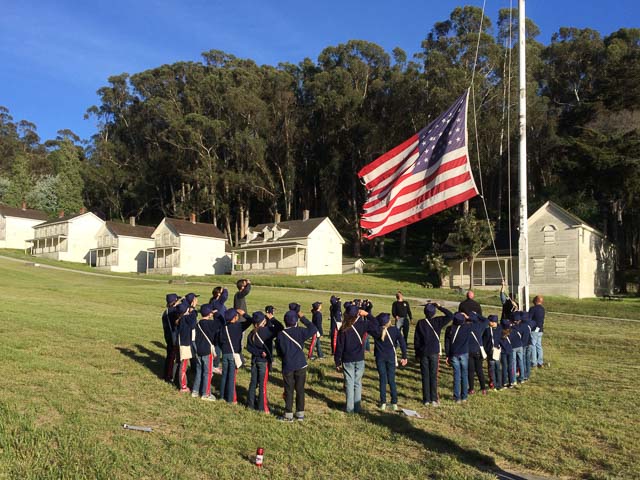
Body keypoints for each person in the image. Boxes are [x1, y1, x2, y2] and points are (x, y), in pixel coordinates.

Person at [276, 307, 317, 421]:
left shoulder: (281, 334)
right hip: (301, 364)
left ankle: (288, 414)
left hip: (288, 364)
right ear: (296, 321)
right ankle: (300, 414)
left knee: (288, 390)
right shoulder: (301, 331)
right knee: (300, 390)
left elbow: (279, 351)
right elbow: (313, 328)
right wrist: (303, 317)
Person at [334, 305, 373, 413]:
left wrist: (337, 361)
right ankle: (357, 406)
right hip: (359, 358)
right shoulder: (363, 325)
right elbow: (376, 324)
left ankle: (349, 408)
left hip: (347, 359)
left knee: (349, 383)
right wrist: (368, 315)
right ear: (357, 314)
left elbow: (339, 347)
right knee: (358, 382)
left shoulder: (343, 328)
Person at [413, 302, 453, 406]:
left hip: (423, 351)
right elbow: (450, 315)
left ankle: (426, 399)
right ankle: (434, 399)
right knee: (433, 376)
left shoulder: (420, 323)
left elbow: (416, 340)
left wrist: (417, 353)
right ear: (434, 312)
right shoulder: (438, 321)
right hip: (434, 351)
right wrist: (440, 306)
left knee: (425, 375)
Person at [246, 311, 283, 413]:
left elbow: (249, 348)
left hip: (254, 360)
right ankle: (262, 407)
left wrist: (258, 352)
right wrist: (272, 319)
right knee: (263, 385)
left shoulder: (251, 333)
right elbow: (280, 328)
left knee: (253, 383)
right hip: (263, 361)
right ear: (263, 321)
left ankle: (250, 404)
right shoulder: (266, 331)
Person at [369, 312, 407, 411]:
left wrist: (368, 315)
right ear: (389, 321)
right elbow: (402, 343)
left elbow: (371, 323)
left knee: (382, 380)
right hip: (390, 357)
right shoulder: (395, 330)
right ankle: (394, 402)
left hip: (380, 357)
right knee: (391, 380)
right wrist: (404, 356)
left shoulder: (376, 331)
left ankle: (383, 403)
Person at [219, 308, 252, 404]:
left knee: (224, 375)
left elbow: (220, 340)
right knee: (231, 376)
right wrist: (244, 314)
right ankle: (230, 398)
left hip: (225, 353)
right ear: (235, 317)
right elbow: (250, 321)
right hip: (234, 354)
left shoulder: (223, 327)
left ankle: (222, 395)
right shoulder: (239, 326)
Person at [444, 312, 472, 403]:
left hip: (454, 354)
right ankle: (464, 396)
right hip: (464, 353)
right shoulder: (467, 328)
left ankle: (457, 397)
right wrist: (468, 316)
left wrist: (447, 355)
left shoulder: (449, 329)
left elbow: (447, 343)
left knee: (456, 376)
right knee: (464, 375)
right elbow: (476, 320)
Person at [193, 303, 219, 401]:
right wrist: (217, 313)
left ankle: (195, 391)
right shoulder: (210, 324)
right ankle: (206, 393)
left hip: (198, 350)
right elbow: (221, 322)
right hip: (207, 350)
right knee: (207, 372)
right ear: (209, 314)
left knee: (199, 371)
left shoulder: (198, 323)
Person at [176, 301, 196, 393]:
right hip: (184, 345)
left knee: (182, 365)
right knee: (183, 367)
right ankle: (183, 386)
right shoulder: (185, 319)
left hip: (182, 344)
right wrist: (193, 310)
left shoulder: (181, 318)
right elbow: (193, 323)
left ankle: (180, 382)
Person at [467, 312, 490, 395]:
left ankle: (471, 389)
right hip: (478, 351)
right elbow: (487, 320)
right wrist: (478, 315)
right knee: (479, 370)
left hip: (469, 351)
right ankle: (483, 388)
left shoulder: (466, 327)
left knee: (471, 371)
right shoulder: (480, 326)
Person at [209, 286, 228, 375]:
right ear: (218, 294)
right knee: (218, 346)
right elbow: (225, 297)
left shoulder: (216, 302)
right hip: (219, 327)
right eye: (221, 292)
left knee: (218, 345)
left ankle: (215, 364)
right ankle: (215, 366)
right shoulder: (217, 302)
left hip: (220, 326)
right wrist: (226, 289)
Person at [162, 293, 181, 382]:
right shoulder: (172, 312)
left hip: (168, 336)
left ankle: (168, 374)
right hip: (173, 337)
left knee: (170, 356)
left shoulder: (166, 312)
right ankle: (168, 376)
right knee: (171, 357)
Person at [483, 315, 502, 390]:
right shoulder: (500, 328)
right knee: (497, 367)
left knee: (491, 367)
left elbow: (484, 341)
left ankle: (493, 381)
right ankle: (499, 382)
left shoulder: (487, 330)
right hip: (497, 350)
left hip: (491, 350)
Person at [529, 295, 545, 368]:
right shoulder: (542, 309)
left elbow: (529, 318)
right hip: (540, 329)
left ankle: (534, 362)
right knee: (539, 345)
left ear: (536, 301)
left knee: (533, 345)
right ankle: (540, 362)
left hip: (534, 329)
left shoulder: (533, 309)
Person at [509, 312, 525, 384]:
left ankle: (514, 379)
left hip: (513, 347)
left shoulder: (511, 329)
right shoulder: (522, 327)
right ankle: (522, 378)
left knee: (513, 363)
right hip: (520, 346)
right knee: (521, 362)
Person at [499, 319, 515, 388]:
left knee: (504, 367)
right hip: (510, 351)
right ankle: (511, 381)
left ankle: (504, 382)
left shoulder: (500, 333)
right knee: (510, 366)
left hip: (503, 352)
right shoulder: (511, 332)